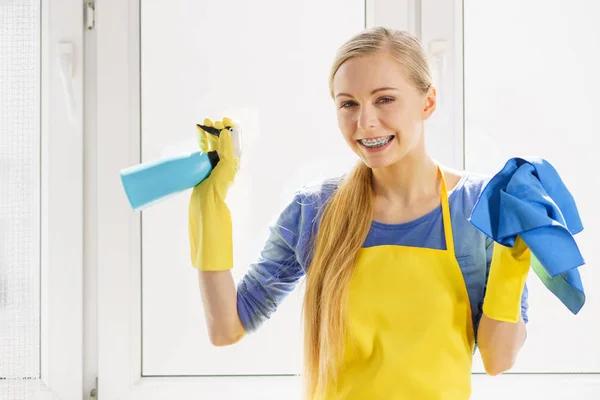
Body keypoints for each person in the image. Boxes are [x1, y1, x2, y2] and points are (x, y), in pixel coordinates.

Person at [188, 27, 529, 400]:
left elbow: (498, 358)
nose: (364, 122)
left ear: (428, 101)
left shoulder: (480, 208)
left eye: (384, 99)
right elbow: (227, 328)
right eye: (348, 103)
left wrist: (515, 255)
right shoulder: (315, 210)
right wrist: (210, 205)